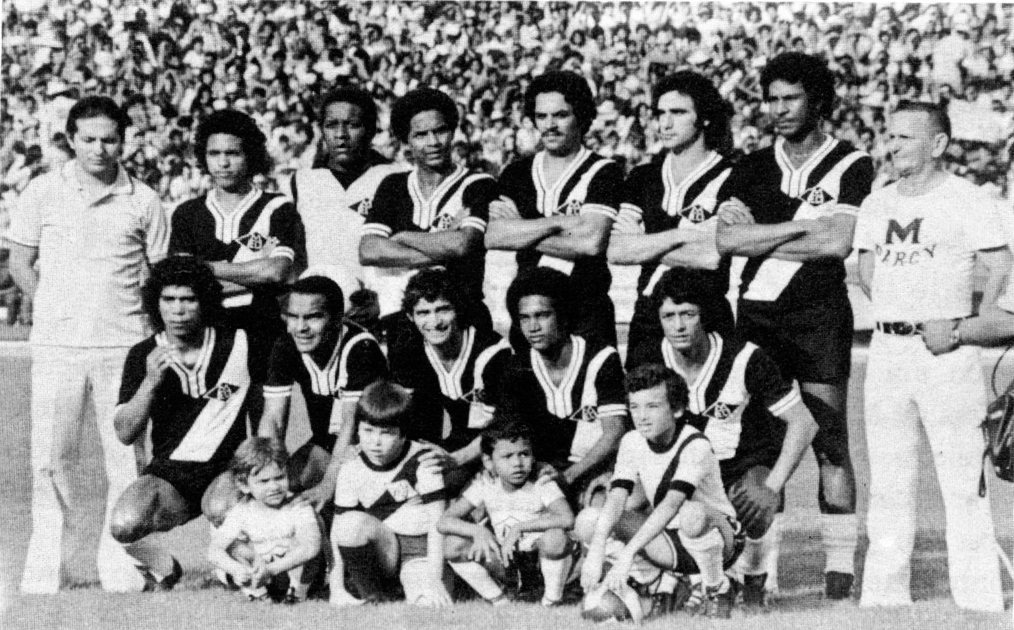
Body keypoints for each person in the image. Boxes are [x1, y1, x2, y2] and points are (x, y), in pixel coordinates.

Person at [715, 52, 873, 599]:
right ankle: (758, 573)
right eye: (772, 99)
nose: (779, 110)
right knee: (760, 445)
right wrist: (800, 228)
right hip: (756, 317)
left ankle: (839, 575)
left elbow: (837, 242)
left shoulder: (853, 163)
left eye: (791, 99)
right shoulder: (752, 166)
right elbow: (728, 241)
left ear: (820, 102)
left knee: (831, 442)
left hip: (820, 318)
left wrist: (767, 230)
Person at [9, 95, 168, 593]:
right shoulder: (41, 191)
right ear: (71, 140)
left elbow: (160, 277)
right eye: (89, 139)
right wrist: (52, 309)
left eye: (110, 139)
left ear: (125, 140)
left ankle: (121, 562)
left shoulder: (143, 199)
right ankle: (45, 565)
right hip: (58, 346)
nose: (100, 149)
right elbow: (19, 264)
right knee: (51, 457)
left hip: (123, 347)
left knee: (124, 458)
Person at [854, 101, 1007, 612]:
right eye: (890, 136)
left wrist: (965, 327)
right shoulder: (877, 203)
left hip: (946, 355)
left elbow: (1000, 267)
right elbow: (869, 269)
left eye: (905, 138)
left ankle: (981, 601)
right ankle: (884, 599)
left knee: (962, 479)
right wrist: (898, 317)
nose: (892, 145)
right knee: (890, 480)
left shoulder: (969, 198)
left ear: (938, 143)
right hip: (888, 352)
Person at [627, 268, 819, 610]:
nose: (679, 326)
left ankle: (755, 578)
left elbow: (803, 424)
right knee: (622, 505)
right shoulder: (650, 357)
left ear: (706, 316)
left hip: (735, 469)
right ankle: (659, 581)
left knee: (755, 494)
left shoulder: (746, 358)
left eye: (688, 314)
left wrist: (772, 486)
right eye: (668, 316)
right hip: (677, 472)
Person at [107, 255, 253, 589]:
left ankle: (228, 564)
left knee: (221, 507)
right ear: (156, 304)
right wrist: (150, 383)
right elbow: (125, 432)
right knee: (124, 524)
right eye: (168, 300)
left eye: (188, 299)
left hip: (226, 469)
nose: (178, 309)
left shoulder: (238, 344)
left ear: (205, 302)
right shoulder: (143, 354)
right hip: (171, 476)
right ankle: (164, 566)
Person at [576, 364, 744, 620]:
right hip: (671, 539)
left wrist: (627, 554)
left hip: (721, 537)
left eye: (652, 406)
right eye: (635, 407)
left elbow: (670, 505)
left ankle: (716, 587)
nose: (642, 416)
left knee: (692, 514)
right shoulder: (632, 441)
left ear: (676, 409)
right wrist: (596, 550)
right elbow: (618, 497)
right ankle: (651, 583)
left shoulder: (695, 444)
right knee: (589, 520)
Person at [169, 108, 306, 416]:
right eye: (214, 153)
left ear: (251, 156)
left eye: (233, 153)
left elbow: (276, 272)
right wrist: (250, 276)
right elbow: (184, 284)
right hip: (209, 335)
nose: (223, 162)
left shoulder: (276, 206)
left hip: (264, 332)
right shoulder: (187, 214)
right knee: (217, 439)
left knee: (265, 437)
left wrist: (205, 270)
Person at [486, 70, 623, 348]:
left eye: (560, 115)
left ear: (581, 116)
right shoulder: (516, 173)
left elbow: (591, 243)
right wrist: (560, 223)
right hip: (529, 313)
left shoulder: (604, 171)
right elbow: (494, 236)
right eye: (541, 116)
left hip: (586, 310)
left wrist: (523, 227)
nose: (549, 125)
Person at [608, 71, 735, 367]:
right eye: (659, 113)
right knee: (645, 411)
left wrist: (644, 244)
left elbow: (711, 255)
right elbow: (617, 250)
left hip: (706, 316)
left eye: (677, 112)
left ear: (703, 117)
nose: (664, 123)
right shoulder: (643, 176)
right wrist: (683, 235)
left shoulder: (732, 176)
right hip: (648, 318)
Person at [359, 87, 497, 349]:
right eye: (421, 135)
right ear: (406, 141)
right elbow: (369, 249)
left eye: (440, 131)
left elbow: (463, 244)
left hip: (462, 317)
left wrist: (402, 237)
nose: (433, 142)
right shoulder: (393, 185)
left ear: (453, 132)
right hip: (404, 322)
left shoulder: (478, 183)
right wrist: (442, 245)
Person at [256, 275, 388, 511]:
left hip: (372, 445)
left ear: (337, 319)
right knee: (285, 490)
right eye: (293, 317)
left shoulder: (360, 347)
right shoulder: (286, 345)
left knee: (336, 502)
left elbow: (350, 424)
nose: (301, 327)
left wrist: (328, 484)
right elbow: (273, 419)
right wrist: (266, 474)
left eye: (313, 317)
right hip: (326, 443)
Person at [499, 268, 629, 500]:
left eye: (542, 315)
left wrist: (568, 476)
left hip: (592, 468)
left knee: (597, 518)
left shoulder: (600, 358)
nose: (533, 327)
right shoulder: (517, 367)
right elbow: (507, 434)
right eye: (525, 318)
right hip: (542, 473)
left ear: (563, 315)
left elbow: (615, 432)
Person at [329, 380, 452, 608]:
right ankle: (374, 595)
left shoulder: (423, 460)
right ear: (358, 429)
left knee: (427, 603)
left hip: (419, 549)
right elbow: (337, 533)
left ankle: (411, 585)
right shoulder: (351, 466)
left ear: (403, 434)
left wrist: (435, 579)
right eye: (368, 431)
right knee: (348, 524)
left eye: (386, 434)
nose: (375, 442)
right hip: (384, 549)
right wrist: (336, 588)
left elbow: (438, 524)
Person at [280, 86, 407, 301]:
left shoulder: (397, 178)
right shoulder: (300, 182)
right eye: (331, 125)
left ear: (371, 130)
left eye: (353, 125)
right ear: (321, 130)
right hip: (320, 308)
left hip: (378, 304)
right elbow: (293, 256)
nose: (341, 135)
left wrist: (385, 298)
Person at [393, 268, 513, 491]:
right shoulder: (409, 352)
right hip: (459, 443)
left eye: (443, 310)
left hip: (502, 444)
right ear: (410, 316)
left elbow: (504, 424)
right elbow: (412, 419)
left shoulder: (493, 352)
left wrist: (456, 459)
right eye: (423, 313)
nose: (435, 321)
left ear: (458, 309)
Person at [438, 417, 576, 606]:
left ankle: (551, 599)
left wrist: (520, 528)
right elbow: (444, 522)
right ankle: (499, 600)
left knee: (556, 538)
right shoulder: (485, 485)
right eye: (507, 456)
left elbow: (567, 519)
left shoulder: (542, 483)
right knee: (453, 544)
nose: (517, 463)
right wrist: (478, 531)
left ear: (533, 456)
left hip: (538, 560)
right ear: (488, 461)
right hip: (506, 560)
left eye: (524, 454)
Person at [208, 437, 323, 603]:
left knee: (307, 538)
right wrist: (236, 569)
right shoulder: (242, 510)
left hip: (292, 571)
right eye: (264, 481)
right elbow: (214, 551)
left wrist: (270, 569)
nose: (274, 487)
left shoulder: (297, 505)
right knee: (234, 547)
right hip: (261, 573)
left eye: (279, 478)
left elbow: (311, 548)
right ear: (244, 485)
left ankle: (298, 593)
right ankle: (258, 593)